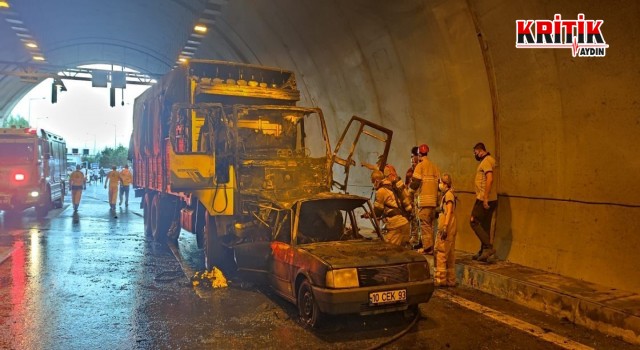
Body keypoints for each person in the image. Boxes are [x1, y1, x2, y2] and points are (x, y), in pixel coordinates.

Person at [409, 144, 441, 254]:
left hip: (424, 201)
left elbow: (415, 183)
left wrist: (409, 192)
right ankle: (431, 247)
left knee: (424, 226)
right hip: (433, 202)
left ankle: (427, 249)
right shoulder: (435, 167)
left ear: (419, 154)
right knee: (431, 226)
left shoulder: (420, 166)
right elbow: (439, 185)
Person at [366, 170, 410, 247]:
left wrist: (369, 214)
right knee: (403, 253)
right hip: (405, 223)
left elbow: (377, 212)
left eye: (372, 182)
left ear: (376, 181)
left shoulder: (381, 191)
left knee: (388, 251)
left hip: (395, 226)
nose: (373, 185)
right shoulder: (392, 187)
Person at [470, 142, 498, 262]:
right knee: (484, 224)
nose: (475, 155)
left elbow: (489, 178)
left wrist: (485, 197)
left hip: (483, 198)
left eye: (475, 153)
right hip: (493, 198)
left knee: (474, 221)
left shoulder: (486, 161)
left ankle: (487, 247)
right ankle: (483, 251)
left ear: (480, 150)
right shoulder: (491, 160)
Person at [434, 174, 457, 287]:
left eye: (441, 183)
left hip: (447, 226)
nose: (439, 185)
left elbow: (448, 212)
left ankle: (440, 280)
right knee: (450, 254)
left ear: (445, 184)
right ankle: (451, 280)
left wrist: (445, 227)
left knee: (442, 253)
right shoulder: (449, 194)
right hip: (450, 226)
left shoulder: (448, 196)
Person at [405, 146, 420, 247]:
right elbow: (406, 185)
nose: (412, 162)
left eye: (414, 159)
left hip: (419, 198)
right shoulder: (409, 171)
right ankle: (413, 236)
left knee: (419, 220)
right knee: (412, 218)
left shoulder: (421, 170)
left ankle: (419, 239)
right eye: (411, 159)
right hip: (411, 198)